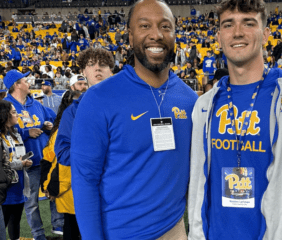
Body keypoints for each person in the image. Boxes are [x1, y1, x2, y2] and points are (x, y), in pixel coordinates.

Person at [188, 0, 282, 239]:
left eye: (248, 23)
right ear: (219, 37)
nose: (238, 32)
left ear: (265, 35)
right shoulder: (204, 105)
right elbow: (198, 183)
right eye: (228, 25)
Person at [70, 0, 198, 239]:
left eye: (165, 26)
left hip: (174, 231)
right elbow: (85, 180)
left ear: (174, 34)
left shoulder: (190, 100)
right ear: (130, 36)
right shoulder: (98, 99)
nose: (156, 35)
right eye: (144, 26)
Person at [55, 48, 113, 240]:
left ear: (112, 70)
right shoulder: (73, 112)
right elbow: (62, 152)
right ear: (84, 72)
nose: (97, 69)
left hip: (126, 194)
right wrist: (92, 157)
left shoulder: (130, 105)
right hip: (91, 193)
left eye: (103, 65)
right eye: (91, 65)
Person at [3, 70, 61, 240]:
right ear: (16, 85)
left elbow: (55, 118)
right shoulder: (6, 105)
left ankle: (58, 227)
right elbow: (3, 129)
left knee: (54, 193)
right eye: (25, 80)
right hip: (24, 165)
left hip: (45, 160)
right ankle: (38, 235)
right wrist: (27, 132)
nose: (29, 82)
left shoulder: (34, 103)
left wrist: (50, 126)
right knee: (31, 203)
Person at [40, 90, 82, 240]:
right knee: (74, 228)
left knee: (71, 227)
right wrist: (52, 186)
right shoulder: (64, 129)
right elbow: (57, 161)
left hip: (69, 186)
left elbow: (47, 158)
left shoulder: (60, 127)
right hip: (69, 186)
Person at [0, 100, 33, 240]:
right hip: (5, 189)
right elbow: (2, 164)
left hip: (19, 186)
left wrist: (24, 161)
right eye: (13, 112)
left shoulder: (16, 133)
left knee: (16, 224)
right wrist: (20, 163)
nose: (17, 115)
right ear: (5, 115)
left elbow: (17, 156)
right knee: (3, 225)